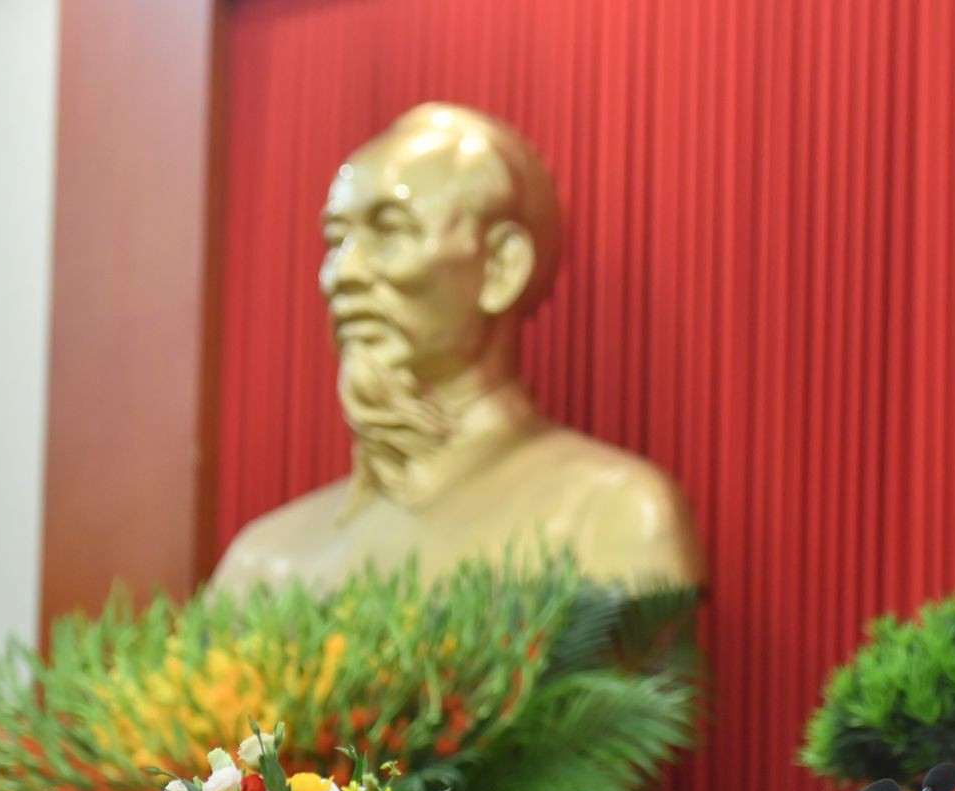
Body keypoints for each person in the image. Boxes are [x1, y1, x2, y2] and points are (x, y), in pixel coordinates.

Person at [212, 103, 702, 593]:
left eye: (391, 231)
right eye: (336, 240)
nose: (342, 275)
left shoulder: (606, 522)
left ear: (501, 268)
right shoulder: (264, 562)